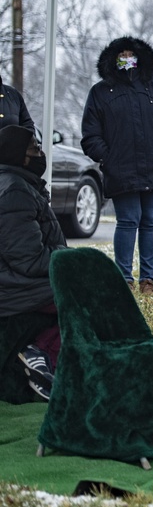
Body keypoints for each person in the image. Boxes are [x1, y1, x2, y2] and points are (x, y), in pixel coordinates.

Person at [81, 37, 153, 295]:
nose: (127, 59)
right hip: (121, 170)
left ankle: (148, 281)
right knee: (128, 221)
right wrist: (108, 158)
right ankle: (123, 280)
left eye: (132, 54)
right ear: (113, 58)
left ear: (141, 58)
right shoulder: (101, 92)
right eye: (122, 54)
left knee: (150, 222)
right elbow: (90, 135)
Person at [0, 126, 66, 403]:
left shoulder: (18, 184)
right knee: (85, 298)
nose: (41, 154)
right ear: (18, 156)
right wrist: (69, 262)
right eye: (34, 149)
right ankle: (40, 355)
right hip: (17, 289)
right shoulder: (15, 190)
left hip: (16, 283)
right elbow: (27, 259)